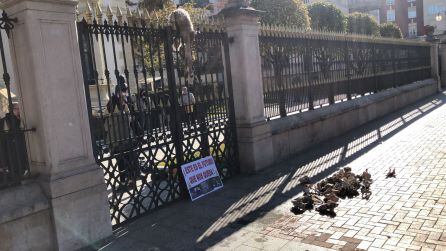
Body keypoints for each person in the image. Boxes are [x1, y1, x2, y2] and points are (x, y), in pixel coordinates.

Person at [104, 79, 138, 191]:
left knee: (120, 162)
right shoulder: (124, 104)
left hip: (115, 139)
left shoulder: (109, 105)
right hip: (126, 137)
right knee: (128, 159)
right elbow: (130, 119)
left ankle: (124, 182)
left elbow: (106, 125)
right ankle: (131, 181)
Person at [0, 102, 29, 180]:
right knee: (15, 172)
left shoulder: (21, 119)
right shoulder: (5, 121)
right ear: (11, 110)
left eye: (20, 108)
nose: (19, 110)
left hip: (22, 150)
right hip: (12, 151)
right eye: (17, 109)